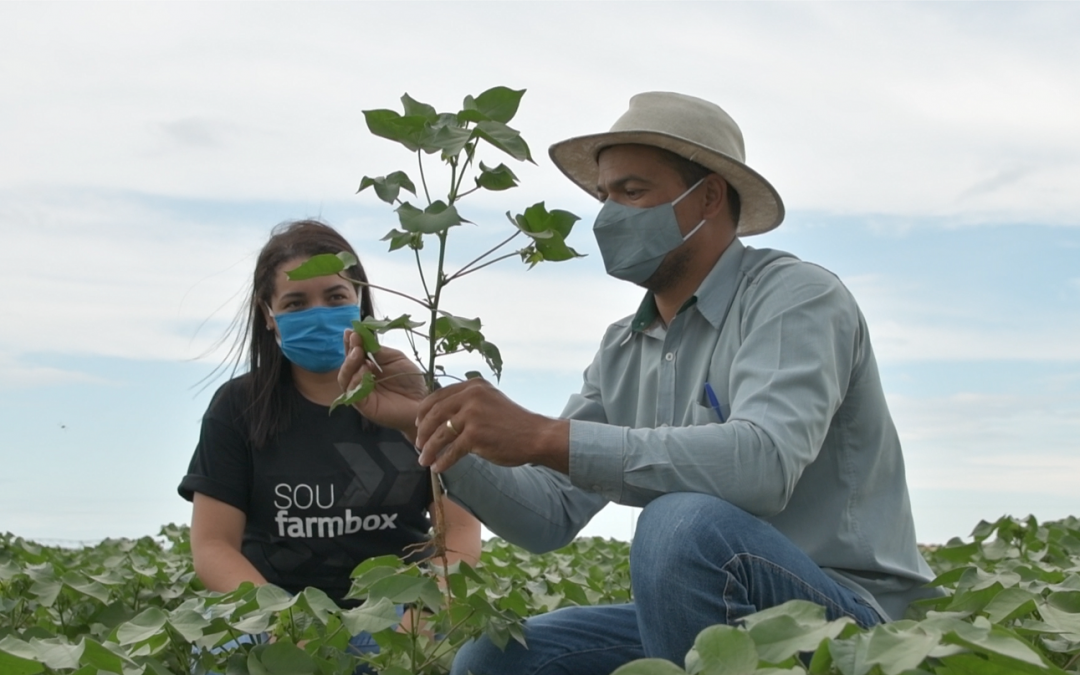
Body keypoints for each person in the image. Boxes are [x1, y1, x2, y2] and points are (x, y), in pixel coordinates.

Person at [344, 93, 939, 674]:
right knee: (497, 659)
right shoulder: (624, 347)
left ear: (707, 197)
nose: (609, 214)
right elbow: (547, 518)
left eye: (632, 192)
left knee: (679, 523)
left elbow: (764, 464)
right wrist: (429, 419)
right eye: (605, 195)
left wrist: (548, 436)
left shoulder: (796, 297)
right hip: (708, 604)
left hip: (850, 621)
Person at [178, 219, 481, 662]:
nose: (317, 313)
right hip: (272, 611)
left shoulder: (412, 394)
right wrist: (282, 621)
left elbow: (459, 527)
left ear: (359, 302)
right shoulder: (237, 407)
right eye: (296, 303)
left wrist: (422, 610)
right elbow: (213, 545)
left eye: (335, 297)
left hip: (397, 610)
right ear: (268, 314)